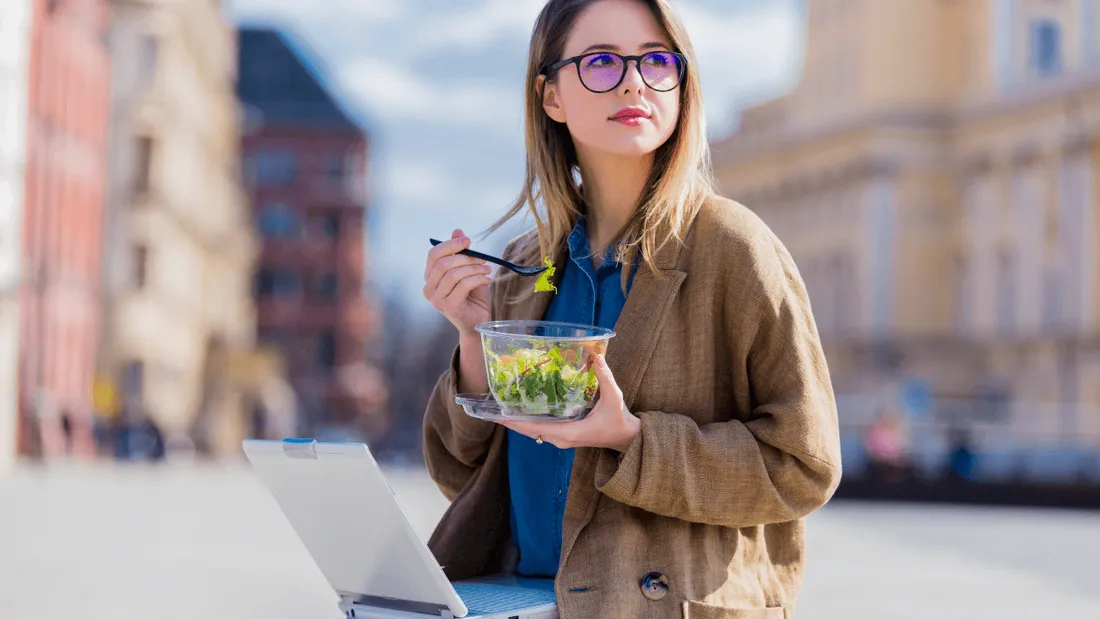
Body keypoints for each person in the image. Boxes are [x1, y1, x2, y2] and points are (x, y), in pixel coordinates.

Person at [421, 1, 842, 616]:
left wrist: (631, 439)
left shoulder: (733, 248)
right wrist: (473, 337)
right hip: (521, 604)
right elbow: (465, 481)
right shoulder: (525, 263)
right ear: (550, 96)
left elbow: (805, 466)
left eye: (656, 61)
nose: (633, 82)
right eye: (601, 62)